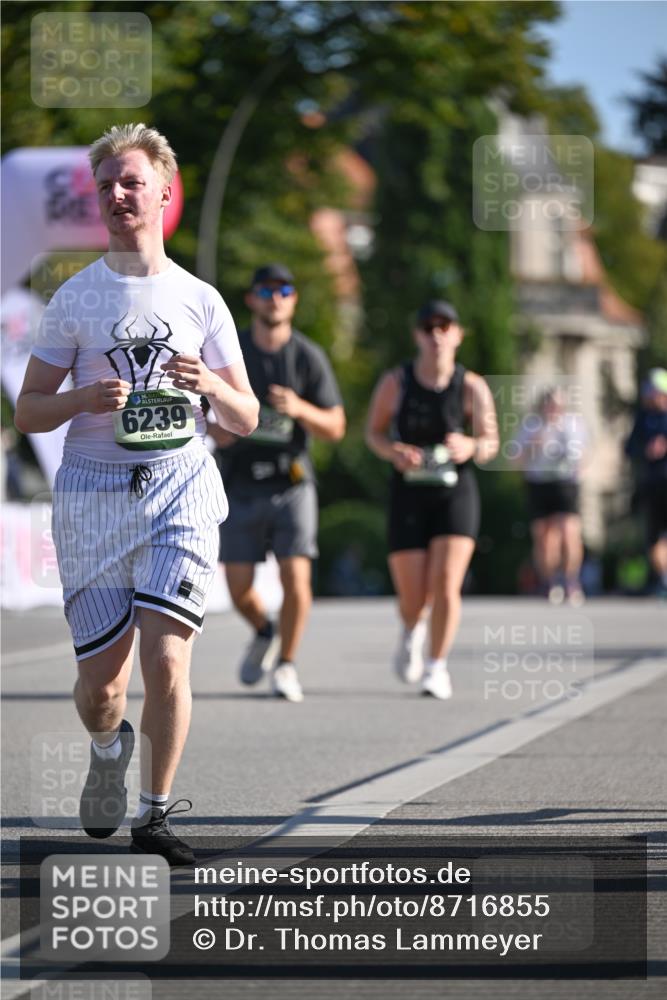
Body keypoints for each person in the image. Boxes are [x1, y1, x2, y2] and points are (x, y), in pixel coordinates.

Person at [14, 123, 258, 865]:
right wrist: (84, 398)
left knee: (168, 660)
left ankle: (154, 817)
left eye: (132, 181)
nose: (118, 194)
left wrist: (210, 384)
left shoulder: (201, 299)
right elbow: (26, 411)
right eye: (108, 185)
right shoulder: (76, 300)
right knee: (103, 688)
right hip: (92, 496)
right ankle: (105, 745)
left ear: (163, 191)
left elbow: (247, 417)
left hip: (180, 486)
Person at [209, 264, 345, 702]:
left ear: (293, 299)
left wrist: (300, 408)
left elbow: (336, 426)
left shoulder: (307, 356)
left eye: (283, 289)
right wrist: (218, 429)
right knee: (239, 589)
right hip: (241, 480)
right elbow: (197, 408)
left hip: (291, 481)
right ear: (251, 299)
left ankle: (286, 664)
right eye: (266, 290)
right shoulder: (233, 351)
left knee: (296, 577)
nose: (275, 297)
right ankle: (264, 631)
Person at [365, 300, 499, 698]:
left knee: (445, 585)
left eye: (445, 327)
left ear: (458, 335)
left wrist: (471, 445)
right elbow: (373, 433)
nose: (436, 334)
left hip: (454, 493)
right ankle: (411, 629)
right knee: (413, 596)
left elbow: (492, 443)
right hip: (408, 493)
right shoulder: (397, 382)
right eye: (428, 327)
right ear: (417, 336)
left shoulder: (472, 385)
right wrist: (394, 452)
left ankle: (437, 666)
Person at [512, 387, 588, 605]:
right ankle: (550, 582)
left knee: (569, 532)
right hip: (538, 483)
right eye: (550, 404)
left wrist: (579, 468)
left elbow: (585, 453)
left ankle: (571, 581)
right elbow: (515, 459)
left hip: (565, 483)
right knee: (544, 538)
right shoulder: (531, 426)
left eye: (558, 405)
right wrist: (531, 447)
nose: (554, 409)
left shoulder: (573, 424)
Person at [625, 368, 667, 596]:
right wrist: (646, 449)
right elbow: (629, 448)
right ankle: (663, 580)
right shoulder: (643, 418)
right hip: (653, 485)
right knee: (654, 537)